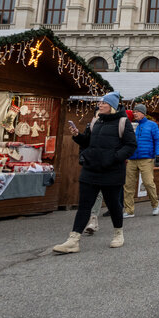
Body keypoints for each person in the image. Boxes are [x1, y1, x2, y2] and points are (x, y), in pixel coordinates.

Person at [53, 92, 136, 254]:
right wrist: (78, 136)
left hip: (112, 172)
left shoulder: (123, 122)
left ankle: (118, 234)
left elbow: (131, 145)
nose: (100, 105)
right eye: (100, 103)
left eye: (103, 103)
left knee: (113, 205)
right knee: (84, 205)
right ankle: (73, 240)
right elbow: (88, 142)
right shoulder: (96, 120)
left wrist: (113, 158)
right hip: (91, 170)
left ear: (111, 106)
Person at [122, 103, 159, 218]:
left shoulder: (152, 125)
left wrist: (158, 155)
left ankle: (155, 204)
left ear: (143, 113)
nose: (135, 114)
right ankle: (129, 210)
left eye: (137, 112)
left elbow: (158, 141)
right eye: (134, 112)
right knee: (128, 185)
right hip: (132, 159)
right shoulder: (130, 125)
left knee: (148, 183)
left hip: (146, 158)